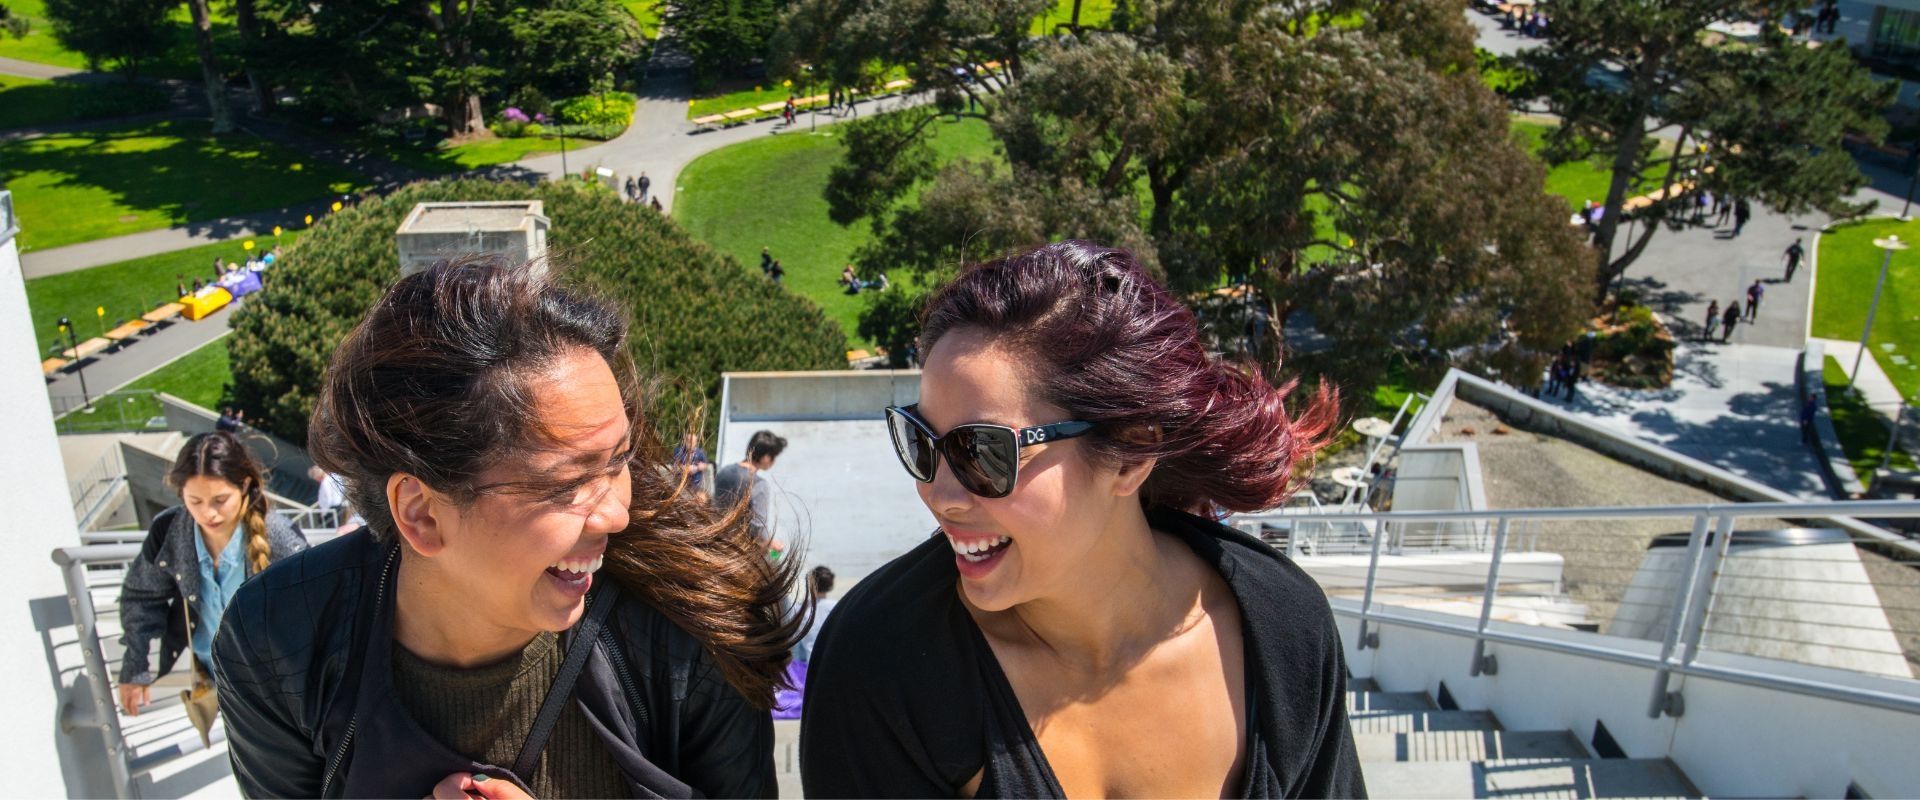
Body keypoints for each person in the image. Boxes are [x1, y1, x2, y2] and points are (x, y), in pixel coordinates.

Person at [213, 260, 803, 799]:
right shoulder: (277, 636)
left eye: (618, 462)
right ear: (420, 512)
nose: (615, 515)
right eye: (565, 484)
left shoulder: (690, 627)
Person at [801, 241, 1364, 797]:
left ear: (1132, 452)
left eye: (986, 452)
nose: (940, 494)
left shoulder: (1283, 629)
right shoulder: (878, 664)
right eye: (922, 442)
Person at [117, 432, 309, 746]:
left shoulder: (281, 538)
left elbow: (317, 616)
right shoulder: (169, 532)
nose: (209, 513)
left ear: (245, 485)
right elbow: (142, 595)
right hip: (215, 681)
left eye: (220, 500)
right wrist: (136, 665)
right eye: (195, 501)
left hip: (278, 693)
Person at [713, 430, 788, 558]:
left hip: (718, 545)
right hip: (743, 554)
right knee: (775, 558)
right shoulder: (759, 484)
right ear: (766, 457)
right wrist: (772, 544)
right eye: (773, 457)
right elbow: (758, 528)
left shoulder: (723, 472)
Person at [672, 430, 712, 499]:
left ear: (696, 443)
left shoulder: (700, 453)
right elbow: (675, 465)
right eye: (688, 441)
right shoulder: (679, 451)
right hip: (680, 482)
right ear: (684, 441)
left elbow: (705, 464)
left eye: (693, 442)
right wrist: (685, 468)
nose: (690, 444)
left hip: (695, 483)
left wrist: (698, 468)